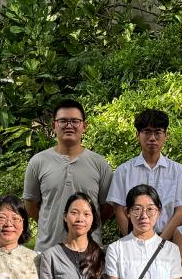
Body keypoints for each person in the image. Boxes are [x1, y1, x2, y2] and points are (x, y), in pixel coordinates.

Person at [23, 98, 114, 253]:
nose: (69, 125)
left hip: (89, 251)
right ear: (54, 126)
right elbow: (30, 205)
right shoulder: (38, 162)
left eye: (75, 121)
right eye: (63, 121)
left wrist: (88, 225)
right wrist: (49, 223)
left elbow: (107, 207)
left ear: (84, 126)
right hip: (48, 249)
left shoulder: (99, 163)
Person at [108, 109, 182, 241]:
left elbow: (180, 212)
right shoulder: (123, 171)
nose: (152, 138)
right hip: (132, 241)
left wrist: (160, 243)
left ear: (166, 135)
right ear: (137, 135)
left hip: (168, 242)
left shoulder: (178, 171)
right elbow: (119, 209)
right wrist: (131, 241)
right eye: (146, 132)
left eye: (158, 132)